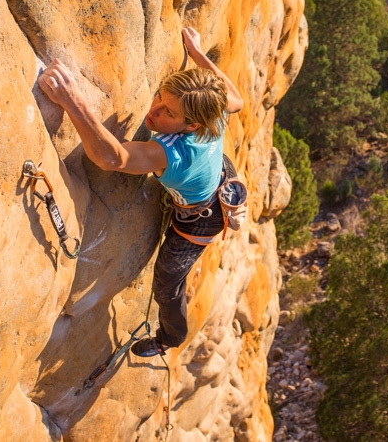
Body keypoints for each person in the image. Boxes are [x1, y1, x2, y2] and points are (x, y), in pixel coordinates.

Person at [39, 27, 244, 357]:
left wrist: (71, 99)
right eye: (161, 96)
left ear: (192, 126)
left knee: (166, 283)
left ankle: (170, 338)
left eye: (168, 113)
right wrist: (196, 53)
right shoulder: (212, 109)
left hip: (199, 220)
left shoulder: (170, 153)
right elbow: (236, 98)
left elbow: (112, 158)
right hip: (219, 172)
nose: (154, 110)